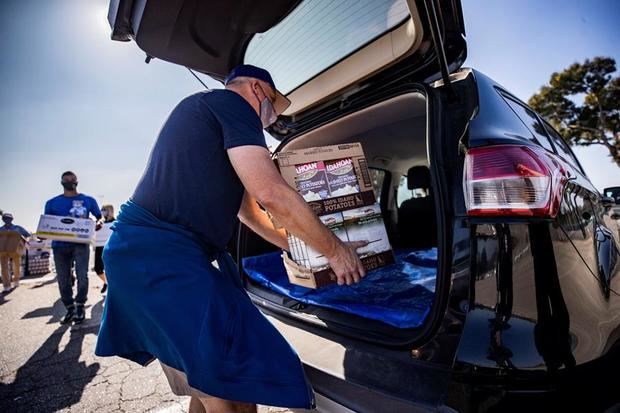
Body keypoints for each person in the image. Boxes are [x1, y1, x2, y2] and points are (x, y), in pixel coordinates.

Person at [95, 64, 367, 413]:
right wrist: (336, 250)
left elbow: (249, 212)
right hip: (155, 256)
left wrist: (300, 249)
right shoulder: (231, 105)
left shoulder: (211, 116)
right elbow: (270, 193)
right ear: (257, 89)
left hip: (152, 256)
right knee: (233, 384)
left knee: (210, 379)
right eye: (272, 103)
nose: (271, 119)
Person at [45, 171, 102, 324]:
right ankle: (70, 307)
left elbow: (99, 216)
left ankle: (80, 306)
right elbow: (47, 224)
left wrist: (98, 223)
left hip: (81, 244)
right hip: (59, 246)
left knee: (82, 276)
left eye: (72, 179)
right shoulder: (52, 203)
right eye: (66, 180)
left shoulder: (88, 200)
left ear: (77, 181)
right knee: (63, 280)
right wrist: (42, 234)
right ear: (61, 182)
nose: (69, 182)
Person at [0, 212, 31, 293]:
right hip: (3, 250)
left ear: (12, 219)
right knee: (4, 268)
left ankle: (16, 280)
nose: (7, 220)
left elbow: (27, 235)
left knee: (16, 265)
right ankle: (6, 285)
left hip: (15, 249)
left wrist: (25, 242)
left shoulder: (17, 228)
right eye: (5, 218)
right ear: (3, 220)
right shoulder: (0, 229)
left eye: (9, 218)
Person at [94, 204, 115, 293]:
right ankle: (106, 282)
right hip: (99, 247)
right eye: (102, 209)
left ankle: (113, 286)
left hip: (111, 247)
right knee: (98, 269)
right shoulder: (99, 222)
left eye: (104, 209)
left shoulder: (116, 222)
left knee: (111, 268)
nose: (102, 211)